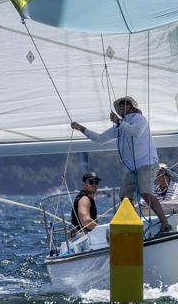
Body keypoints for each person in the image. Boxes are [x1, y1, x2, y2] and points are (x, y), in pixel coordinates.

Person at [71, 96, 172, 233]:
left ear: (132, 106)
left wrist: (119, 122)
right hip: (132, 169)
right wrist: (82, 129)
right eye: (120, 105)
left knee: (145, 193)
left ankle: (165, 224)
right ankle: (134, 226)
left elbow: (136, 132)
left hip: (147, 163)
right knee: (124, 198)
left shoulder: (139, 119)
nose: (122, 106)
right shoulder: (119, 126)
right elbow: (100, 139)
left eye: (126, 103)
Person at [70, 171, 101, 238]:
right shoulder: (84, 199)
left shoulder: (87, 198)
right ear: (84, 184)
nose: (94, 184)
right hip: (83, 238)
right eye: (91, 182)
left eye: (96, 182)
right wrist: (102, 230)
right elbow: (85, 221)